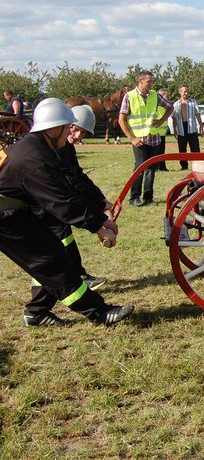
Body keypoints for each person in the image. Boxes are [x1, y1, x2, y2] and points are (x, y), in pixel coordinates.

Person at [0, 98, 134, 327]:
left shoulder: (39, 148)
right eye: (67, 128)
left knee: (53, 255)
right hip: (6, 218)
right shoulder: (35, 159)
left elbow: (69, 187)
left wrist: (100, 215)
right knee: (50, 261)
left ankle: (37, 312)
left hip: (14, 212)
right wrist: (98, 227)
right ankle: (99, 312)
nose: (70, 134)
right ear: (54, 128)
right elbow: (62, 203)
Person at [118, 71, 174, 207]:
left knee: (151, 168)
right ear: (140, 81)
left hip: (154, 138)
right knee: (140, 167)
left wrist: (161, 121)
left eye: (152, 81)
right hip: (138, 139)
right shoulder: (129, 96)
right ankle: (134, 198)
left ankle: (148, 198)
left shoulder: (155, 95)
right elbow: (121, 119)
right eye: (149, 81)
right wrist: (132, 138)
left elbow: (170, 107)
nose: (151, 84)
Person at [169, 84, 202, 170]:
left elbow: (197, 114)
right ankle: (184, 166)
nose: (186, 93)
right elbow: (174, 117)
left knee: (195, 148)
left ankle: (198, 166)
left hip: (192, 128)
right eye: (184, 92)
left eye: (187, 91)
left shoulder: (193, 102)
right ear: (180, 92)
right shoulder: (176, 104)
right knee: (182, 149)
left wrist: (201, 126)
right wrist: (175, 130)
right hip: (181, 128)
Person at [155, 88, 170, 171]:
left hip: (162, 133)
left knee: (161, 152)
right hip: (156, 132)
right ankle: (158, 167)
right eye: (167, 96)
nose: (169, 98)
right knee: (156, 152)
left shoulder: (165, 107)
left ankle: (162, 167)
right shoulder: (157, 106)